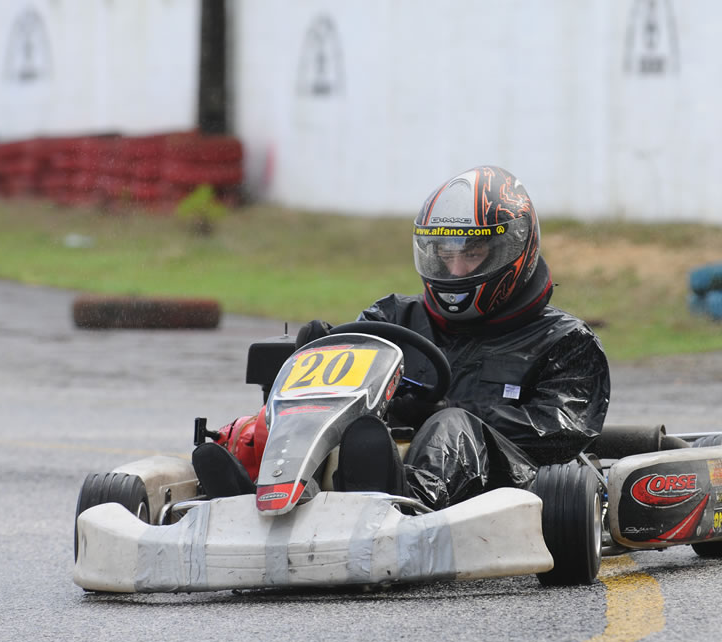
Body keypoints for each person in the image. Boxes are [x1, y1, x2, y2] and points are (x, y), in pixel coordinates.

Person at [193, 165, 610, 510]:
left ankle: (403, 511)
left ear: (514, 250)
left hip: (506, 487)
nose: (457, 272)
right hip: (374, 461)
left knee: (452, 424)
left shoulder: (564, 341)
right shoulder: (391, 318)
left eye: (472, 254)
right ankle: (251, 500)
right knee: (328, 426)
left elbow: (556, 437)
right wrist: (316, 354)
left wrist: (443, 409)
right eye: (445, 256)